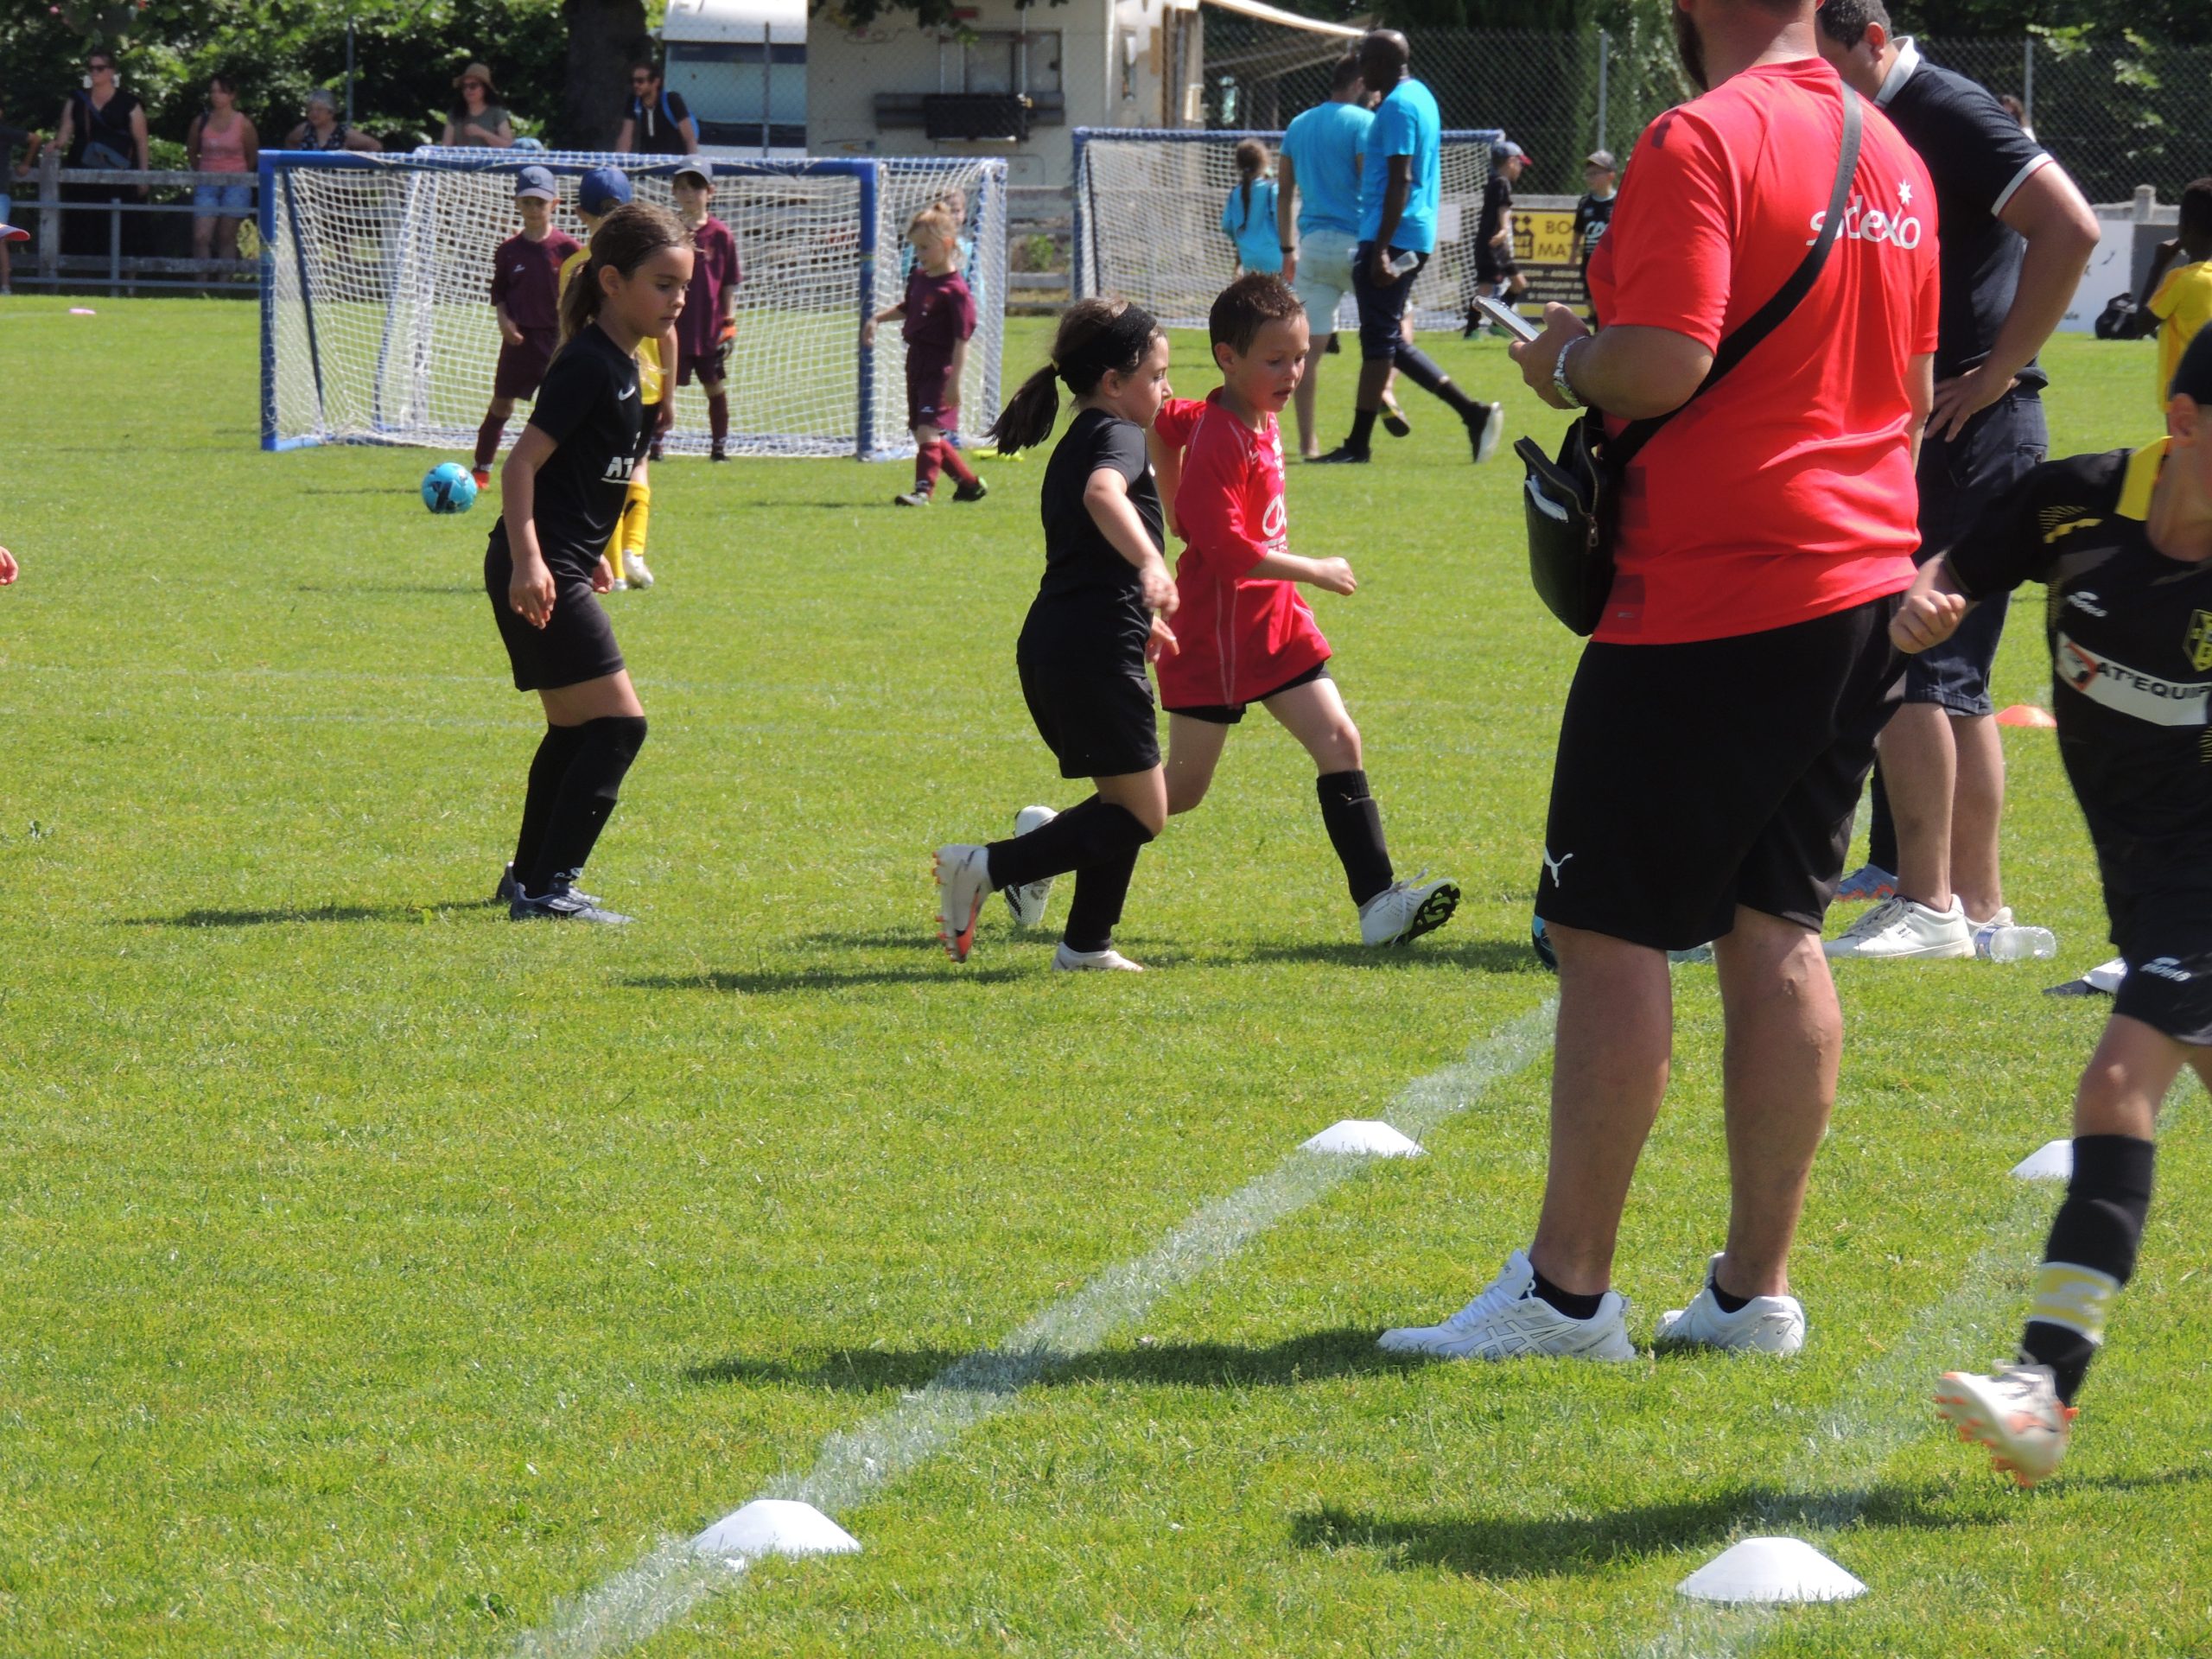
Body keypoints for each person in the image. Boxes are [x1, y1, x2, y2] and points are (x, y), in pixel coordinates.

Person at [1380, 0, 1938, 1363]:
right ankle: (1754, 1293)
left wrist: (1564, 358)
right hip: (1862, 582)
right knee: (1777, 923)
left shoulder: (1703, 137)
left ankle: (1567, 1295)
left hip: (1715, 594)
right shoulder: (1892, 151)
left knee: (1607, 927)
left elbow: (1669, 360)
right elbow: (1915, 392)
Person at [1911, 328, 2212, 1487]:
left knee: (2117, 1086)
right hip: (2142, 873)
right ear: (2182, 423)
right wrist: (1928, 604)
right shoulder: (2075, 500)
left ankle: (2042, 1391)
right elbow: (1956, 569)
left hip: (2197, 878)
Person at [1815, 4, 2101, 961]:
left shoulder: (1945, 107)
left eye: (1827, 62)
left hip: (1970, 426)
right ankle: (1980, 909)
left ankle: (1926, 904)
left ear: (1874, 40)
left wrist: (1996, 371)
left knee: (1910, 656)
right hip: (1961, 429)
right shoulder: (1884, 118)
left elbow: (2070, 227)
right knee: (1959, 677)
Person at [1146, 274, 1460, 946]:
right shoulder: (1222, 436)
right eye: (1275, 360)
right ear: (1228, 358)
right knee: (1179, 791)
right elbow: (1227, 551)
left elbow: (1166, 422)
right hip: (1219, 637)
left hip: (1274, 624)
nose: (1293, 372)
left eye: (1300, 357)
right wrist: (1313, 568)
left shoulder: (1248, 412)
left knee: (1339, 740)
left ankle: (1378, 904)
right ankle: (1040, 851)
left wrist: (1174, 508)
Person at [932, 300, 1179, 971]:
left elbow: (1084, 555)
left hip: (1064, 645)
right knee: (1143, 813)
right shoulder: (1120, 435)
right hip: (1091, 652)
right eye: (1157, 375)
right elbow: (1104, 497)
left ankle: (1086, 946)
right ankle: (986, 868)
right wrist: (1152, 564)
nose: (1167, 389)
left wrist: (1147, 615)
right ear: (1113, 382)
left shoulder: (1082, 438)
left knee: (1121, 800)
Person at [486, 203, 690, 925]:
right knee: (619, 728)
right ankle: (549, 890)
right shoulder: (586, 364)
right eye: (663, 285)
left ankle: (528, 879)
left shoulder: (627, 363)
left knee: (576, 731)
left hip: (563, 564)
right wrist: (531, 561)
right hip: (538, 569)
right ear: (611, 281)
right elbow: (520, 466)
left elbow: (587, 479)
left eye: (683, 287)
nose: (678, 300)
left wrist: (596, 554)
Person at [1314, 29, 1500, 467]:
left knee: (1379, 340)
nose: (1362, 72)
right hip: (1412, 232)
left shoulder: (1398, 105)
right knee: (1387, 338)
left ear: (1382, 62)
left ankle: (1358, 445)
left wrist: (1380, 248)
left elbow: (1401, 178)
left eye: (1365, 62)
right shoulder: (1420, 96)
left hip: (1392, 234)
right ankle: (1472, 414)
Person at [1280, 55, 1411, 461]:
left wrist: (1287, 249)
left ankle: (1308, 443)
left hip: (1313, 247)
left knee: (1306, 353)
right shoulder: (1363, 123)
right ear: (1358, 83)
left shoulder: (1298, 125)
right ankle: (1384, 386)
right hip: (1358, 243)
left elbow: (1284, 193)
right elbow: (1371, 185)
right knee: (1401, 318)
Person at [558, 168, 675, 590]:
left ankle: (616, 569)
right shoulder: (645, 262)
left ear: (579, 213)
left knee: (602, 474)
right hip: (644, 386)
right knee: (634, 467)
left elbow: (569, 328)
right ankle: (632, 554)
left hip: (599, 386)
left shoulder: (573, 265)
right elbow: (670, 335)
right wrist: (669, 393)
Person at [866, 206, 986, 507]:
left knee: (928, 430)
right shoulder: (920, 278)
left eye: (925, 247)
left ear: (947, 244)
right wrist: (876, 319)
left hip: (939, 368)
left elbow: (962, 340)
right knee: (922, 433)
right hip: (916, 363)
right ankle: (969, 485)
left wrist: (954, 382)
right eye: (916, 247)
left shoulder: (956, 291)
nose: (919, 254)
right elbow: (908, 307)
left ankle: (923, 492)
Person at [473, 165, 581, 489]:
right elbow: (500, 294)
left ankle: (560, 473)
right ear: (517, 203)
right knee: (501, 404)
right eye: (528, 202)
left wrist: (573, 333)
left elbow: (582, 296)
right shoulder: (508, 251)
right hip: (519, 344)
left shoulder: (569, 250)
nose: (534, 209)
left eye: (540, 202)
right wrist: (504, 321)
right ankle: (481, 470)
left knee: (558, 411)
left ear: (555, 204)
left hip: (557, 343)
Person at [670, 162, 741, 461]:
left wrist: (729, 323)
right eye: (682, 188)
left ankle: (719, 447)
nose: (689, 194)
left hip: (708, 328)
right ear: (674, 192)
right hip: (672, 326)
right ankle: (654, 445)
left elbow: (728, 283)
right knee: (663, 386)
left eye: (696, 187)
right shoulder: (669, 231)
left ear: (710, 191)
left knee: (714, 386)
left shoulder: (721, 235)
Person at [52, 50, 149, 261]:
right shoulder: (77, 100)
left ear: (111, 71)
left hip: (119, 171)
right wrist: (55, 146)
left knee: (122, 223)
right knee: (83, 222)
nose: (94, 72)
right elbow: (65, 133)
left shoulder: (130, 103)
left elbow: (141, 141)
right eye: (91, 68)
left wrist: (144, 176)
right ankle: (82, 271)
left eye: (100, 68)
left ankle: (124, 272)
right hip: (82, 169)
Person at [2145, 181, 2212, 422]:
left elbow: (2141, 323)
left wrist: (2158, 265)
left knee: (2181, 445)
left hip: (2182, 391)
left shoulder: (2180, 279)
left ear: (2185, 226)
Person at [185, 73, 257, 270]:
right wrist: (201, 171)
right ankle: (202, 282)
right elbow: (192, 150)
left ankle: (225, 281)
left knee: (227, 235)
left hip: (236, 183)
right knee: (201, 235)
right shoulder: (201, 122)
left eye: (222, 92)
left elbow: (252, 155)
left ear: (232, 95)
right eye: (213, 91)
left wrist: (239, 174)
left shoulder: (244, 124)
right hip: (207, 182)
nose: (216, 96)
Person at [1464, 137, 1530, 335]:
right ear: (1511, 162)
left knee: (1517, 283)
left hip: (1495, 246)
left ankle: (1496, 324)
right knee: (1486, 290)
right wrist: (1503, 230)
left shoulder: (1494, 182)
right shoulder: (1501, 183)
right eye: (1520, 163)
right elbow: (1503, 208)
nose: (1521, 168)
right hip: (1492, 245)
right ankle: (1473, 330)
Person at [0, 101, 44, 295]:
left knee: (0, 238)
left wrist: (26, 164)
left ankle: (5, 285)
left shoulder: (5, 133)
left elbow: (35, 139)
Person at [1220, 140, 1281, 276]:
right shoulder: (1272, 189)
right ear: (1264, 162)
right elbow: (1282, 223)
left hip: (1248, 260)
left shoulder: (1234, 194)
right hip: (1276, 259)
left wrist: (1241, 240)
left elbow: (1226, 225)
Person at [616, 61, 699, 156]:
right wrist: (619, 161)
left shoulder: (672, 100)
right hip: (648, 160)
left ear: (656, 82)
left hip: (675, 160)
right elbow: (626, 137)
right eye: (632, 81)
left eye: (640, 81)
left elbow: (689, 138)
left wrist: (692, 161)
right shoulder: (634, 101)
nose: (635, 85)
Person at [1571, 149, 1617, 312]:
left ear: (1611, 175)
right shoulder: (1585, 203)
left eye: (1595, 173)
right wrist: (1573, 252)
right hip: (1589, 259)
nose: (1590, 177)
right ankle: (1597, 326)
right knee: (1591, 302)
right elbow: (1578, 230)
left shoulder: (1619, 201)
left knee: (1609, 300)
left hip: (1612, 260)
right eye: (1588, 174)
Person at [283, 88, 380, 153]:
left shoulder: (343, 133)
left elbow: (375, 146)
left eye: (319, 110)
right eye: (310, 109)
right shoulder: (304, 130)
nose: (314, 113)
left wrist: (354, 163)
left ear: (331, 112)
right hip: (306, 178)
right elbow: (290, 142)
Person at [442, 64, 514, 149]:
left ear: (485, 88)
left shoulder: (497, 113)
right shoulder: (454, 113)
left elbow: (508, 145)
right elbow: (446, 147)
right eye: (464, 86)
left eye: (473, 86)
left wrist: (482, 133)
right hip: (462, 157)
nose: (468, 90)